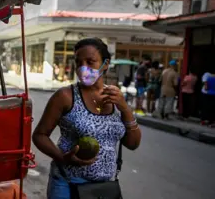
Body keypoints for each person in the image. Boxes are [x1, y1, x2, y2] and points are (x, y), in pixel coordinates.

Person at [32, 38, 141, 199]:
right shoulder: (65, 96)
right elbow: (39, 136)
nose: (83, 68)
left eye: (90, 62)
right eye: (79, 62)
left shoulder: (114, 98)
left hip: (102, 188)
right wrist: (63, 158)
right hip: (67, 183)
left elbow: (132, 144)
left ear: (105, 64)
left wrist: (124, 107)